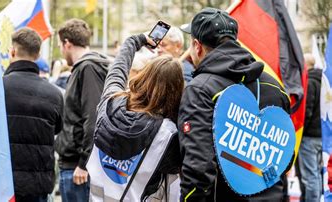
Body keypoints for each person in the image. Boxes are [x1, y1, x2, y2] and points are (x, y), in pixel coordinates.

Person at [177, 8, 291, 201]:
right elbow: (285, 157)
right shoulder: (274, 86)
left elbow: (198, 168)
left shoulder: (200, 89)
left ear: (197, 46)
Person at [87, 33, 184, 201]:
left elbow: (116, 71)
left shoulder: (109, 103)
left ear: (143, 77)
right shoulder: (166, 134)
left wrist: (133, 42)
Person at [3, 28, 64, 202]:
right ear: (37, 55)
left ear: (12, 52)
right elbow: (58, 129)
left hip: (3, 183)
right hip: (38, 184)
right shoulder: (54, 94)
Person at [54, 18, 110, 202]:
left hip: (78, 168)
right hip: (77, 164)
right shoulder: (85, 67)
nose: (61, 52)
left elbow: (93, 118)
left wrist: (84, 163)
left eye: (61, 46)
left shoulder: (88, 68)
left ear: (67, 43)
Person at [297, 53, 322, 202]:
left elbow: (307, 110)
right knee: (317, 174)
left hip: (309, 136)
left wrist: (300, 130)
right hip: (321, 136)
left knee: (310, 176)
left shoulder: (310, 83)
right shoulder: (324, 82)